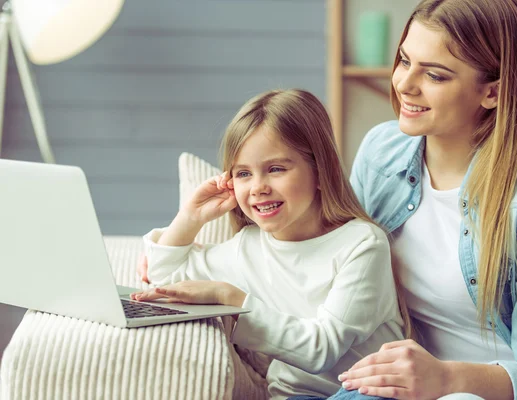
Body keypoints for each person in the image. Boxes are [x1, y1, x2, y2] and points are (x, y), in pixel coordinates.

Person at [324, 0, 517, 399]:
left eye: (435, 75)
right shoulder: (381, 151)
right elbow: (334, 263)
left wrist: (446, 379)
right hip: (414, 384)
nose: (405, 83)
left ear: (492, 92)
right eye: (404, 61)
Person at [131, 89, 411, 400]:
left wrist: (233, 299)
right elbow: (164, 280)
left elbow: (323, 348)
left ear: (320, 171)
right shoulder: (248, 248)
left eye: (276, 169)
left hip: (367, 393)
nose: (258, 187)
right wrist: (190, 217)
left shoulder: (362, 244)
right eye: (243, 174)